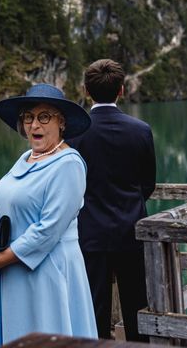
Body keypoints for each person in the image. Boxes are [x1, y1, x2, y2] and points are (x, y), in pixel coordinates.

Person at [0, 83, 97, 346]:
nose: (34, 125)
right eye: (28, 117)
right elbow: (8, 212)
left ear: (61, 123)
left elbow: (48, 230)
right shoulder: (26, 158)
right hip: (14, 268)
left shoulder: (69, 164)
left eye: (44, 117)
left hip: (47, 271)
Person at [69, 59, 156, 342]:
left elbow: (71, 187)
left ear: (86, 91)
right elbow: (148, 184)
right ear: (122, 90)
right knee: (136, 308)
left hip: (90, 234)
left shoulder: (74, 134)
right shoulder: (141, 130)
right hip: (131, 232)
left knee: (93, 310)